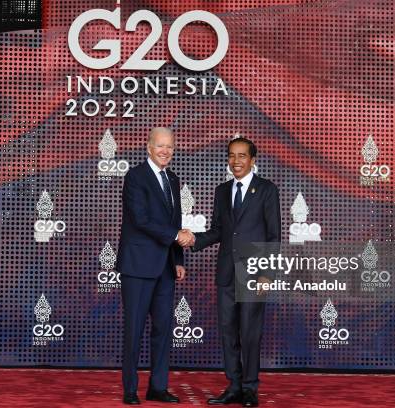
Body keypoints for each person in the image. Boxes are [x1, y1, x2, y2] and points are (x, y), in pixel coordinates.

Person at [189, 137, 281, 407]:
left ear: (253, 160)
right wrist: (194, 239)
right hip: (227, 274)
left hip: (254, 274)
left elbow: (273, 236)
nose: (236, 161)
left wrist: (267, 274)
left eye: (242, 156)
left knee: (250, 332)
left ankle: (250, 388)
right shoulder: (221, 190)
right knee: (228, 331)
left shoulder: (267, 190)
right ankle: (234, 386)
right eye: (232, 156)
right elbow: (219, 230)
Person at [117, 127, 194, 405]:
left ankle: (158, 387)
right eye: (160, 146)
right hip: (138, 266)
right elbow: (141, 219)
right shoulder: (135, 177)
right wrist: (177, 236)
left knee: (163, 329)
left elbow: (174, 221)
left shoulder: (172, 179)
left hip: (165, 267)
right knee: (134, 329)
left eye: (170, 147)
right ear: (148, 147)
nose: (166, 151)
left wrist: (178, 259)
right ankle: (130, 389)